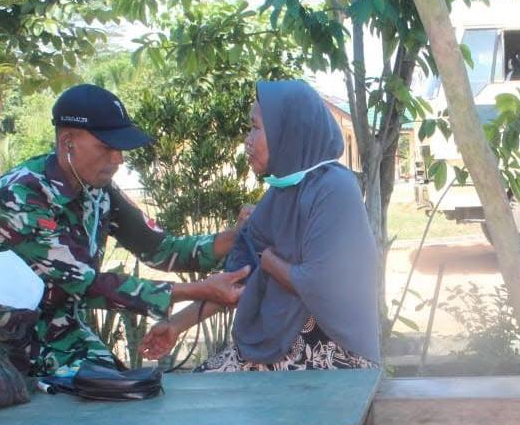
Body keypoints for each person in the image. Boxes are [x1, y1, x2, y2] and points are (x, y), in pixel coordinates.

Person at [0, 83, 249, 375]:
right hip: (4, 345)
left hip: (62, 335)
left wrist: (238, 235)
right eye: (107, 147)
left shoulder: (97, 190)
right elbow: (87, 284)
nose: (118, 159)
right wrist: (199, 290)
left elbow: (160, 249)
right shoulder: (21, 195)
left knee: (123, 397)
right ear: (68, 142)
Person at [140, 79, 381, 371]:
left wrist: (267, 259)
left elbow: (320, 283)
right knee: (192, 394)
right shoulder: (279, 195)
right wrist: (176, 324)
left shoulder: (334, 187)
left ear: (287, 132)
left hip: (332, 352)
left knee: (205, 400)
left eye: (255, 127)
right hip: (279, 346)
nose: (247, 140)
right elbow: (237, 279)